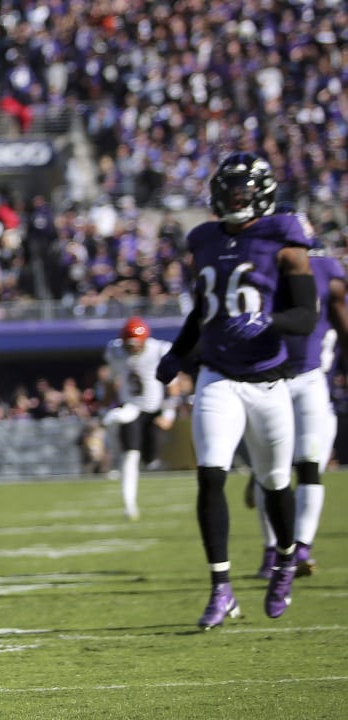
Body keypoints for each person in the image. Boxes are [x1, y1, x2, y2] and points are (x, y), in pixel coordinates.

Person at [154, 152, 317, 629]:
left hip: (268, 380)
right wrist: (180, 354)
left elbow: (305, 315)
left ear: (262, 194)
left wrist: (270, 320)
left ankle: (285, 558)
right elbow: (203, 310)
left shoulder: (284, 236)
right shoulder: (203, 240)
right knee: (211, 475)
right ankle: (220, 586)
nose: (235, 199)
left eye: (243, 192)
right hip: (218, 376)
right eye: (229, 191)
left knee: (275, 483)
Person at [246, 205, 348, 579]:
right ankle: (273, 548)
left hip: (308, 378)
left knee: (309, 463)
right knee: (268, 472)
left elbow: (341, 320)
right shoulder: (253, 266)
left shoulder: (326, 271)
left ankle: (300, 545)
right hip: (264, 377)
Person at [100, 317, 178, 521]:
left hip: (154, 410)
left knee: (150, 459)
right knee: (130, 456)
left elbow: (173, 383)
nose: (132, 348)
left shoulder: (159, 350)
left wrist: (169, 412)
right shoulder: (115, 351)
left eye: (136, 344)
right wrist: (105, 406)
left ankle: (150, 459)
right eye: (129, 344)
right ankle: (129, 505)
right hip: (131, 408)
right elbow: (111, 380)